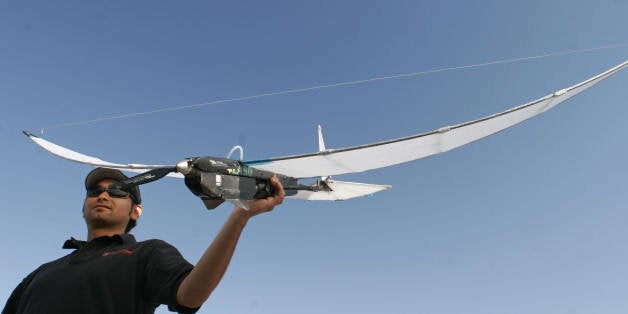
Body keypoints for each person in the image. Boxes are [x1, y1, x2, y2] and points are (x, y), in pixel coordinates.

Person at [2, 167, 285, 314]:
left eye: (117, 191)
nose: (103, 195)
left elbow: (190, 295)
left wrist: (240, 216)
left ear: (136, 210)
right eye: (94, 191)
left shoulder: (146, 254)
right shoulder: (40, 274)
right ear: (84, 206)